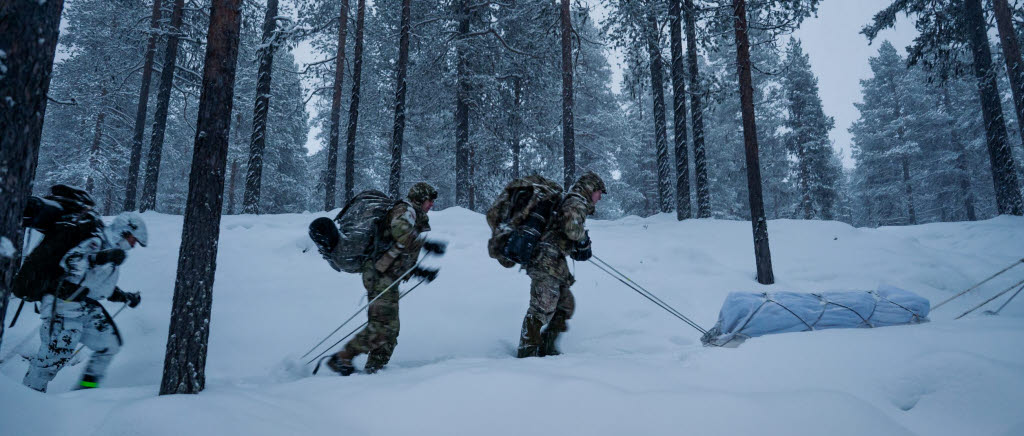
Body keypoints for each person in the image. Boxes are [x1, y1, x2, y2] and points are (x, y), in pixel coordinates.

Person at [326, 182, 442, 375]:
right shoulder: (406, 210)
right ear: (421, 199)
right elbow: (400, 232)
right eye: (429, 200)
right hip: (379, 276)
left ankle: (375, 371)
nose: (431, 205)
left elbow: (395, 252)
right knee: (383, 327)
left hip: (384, 274)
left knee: (390, 329)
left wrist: (419, 272)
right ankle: (343, 358)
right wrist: (426, 244)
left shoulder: (411, 214)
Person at [23, 212, 147, 392]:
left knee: (109, 345)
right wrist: (101, 257)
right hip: (62, 304)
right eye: (133, 240)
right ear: (123, 231)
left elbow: (99, 286)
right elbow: (71, 262)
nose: (133, 245)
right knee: (51, 360)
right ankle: (29, 397)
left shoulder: (112, 252)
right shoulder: (96, 241)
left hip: (84, 306)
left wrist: (126, 297)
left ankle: (85, 393)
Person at [517, 172, 605, 358]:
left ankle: (546, 348)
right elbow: (571, 229)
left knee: (565, 305)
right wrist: (583, 241)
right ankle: (527, 353)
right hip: (545, 261)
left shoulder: (572, 202)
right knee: (542, 308)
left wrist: (578, 248)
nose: (599, 198)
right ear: (590, 189)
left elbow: (562, 233)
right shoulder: (576, 202)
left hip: (554, 262)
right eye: (599, 193)